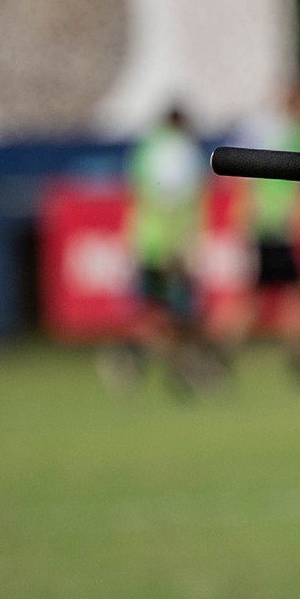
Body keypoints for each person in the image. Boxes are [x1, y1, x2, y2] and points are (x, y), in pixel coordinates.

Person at [221, 84, 300, 385]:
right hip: (277, 227)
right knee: (287, 298)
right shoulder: (295, 133)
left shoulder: (274, 133)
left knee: (272, 299)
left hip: (264, 225)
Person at [110, 104, 220, 394]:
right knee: (176, 313)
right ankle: (166, 366)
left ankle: (141, 361)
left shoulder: (147, 148)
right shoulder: (179, 151)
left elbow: (137, 189)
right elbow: (173, 198)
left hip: (146, 240)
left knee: (158, 311)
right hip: (168, 246)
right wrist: (182, 245)